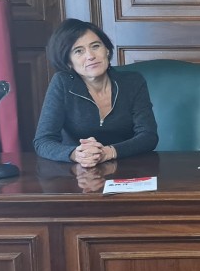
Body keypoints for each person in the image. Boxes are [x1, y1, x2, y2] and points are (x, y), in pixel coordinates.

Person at [33, 19, 158, 165]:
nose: (90, 56)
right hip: (78, 172)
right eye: (78, 51)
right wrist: (75, 154)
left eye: (95, 46)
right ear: (68, 61)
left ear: (106, 50)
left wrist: (109, 152)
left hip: (127, 167)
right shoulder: (62, 83)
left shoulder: (133, 82)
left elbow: (148, 136)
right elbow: (43, 141)